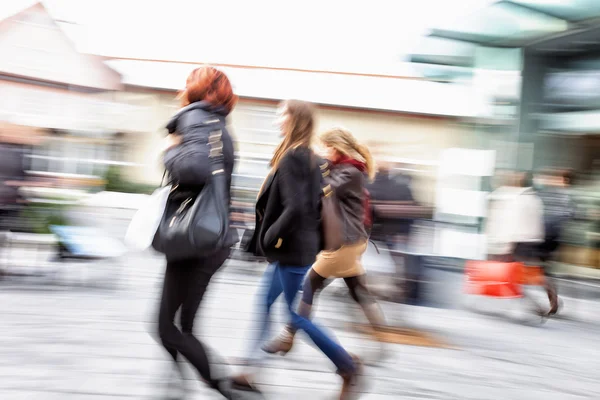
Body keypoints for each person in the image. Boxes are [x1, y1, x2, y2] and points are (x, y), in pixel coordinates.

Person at [263, 128, 383, 399]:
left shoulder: (350, 172)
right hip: (351, 242)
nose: (322, 152)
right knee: (356, 290)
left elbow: (321, 190)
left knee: (309, 285)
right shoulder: (344, 167)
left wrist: (305, 164)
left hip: (344, 243)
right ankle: (369, 348)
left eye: (325, 148)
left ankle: (291, 336)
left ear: (336, 148)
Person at [156, 66, 245, 399]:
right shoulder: (221, 126)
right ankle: (183, 383)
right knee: (186, 327)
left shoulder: (193, 118)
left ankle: (223, 388)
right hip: (216, 237)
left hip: (192, 237)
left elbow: (193, 168)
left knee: (165, 327)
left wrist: (169, 149)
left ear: (202, 91)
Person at [234, 100, 322, 389]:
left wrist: (270, 235)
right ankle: (250, 369)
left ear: (295, 119)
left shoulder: (292, 157)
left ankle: (346, 363)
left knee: (296, 315)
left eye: (281, 115)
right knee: (266, 304)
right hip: (300, 248)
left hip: (292, 251)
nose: (276, 121)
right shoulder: (308, 156)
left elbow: (296, 207)